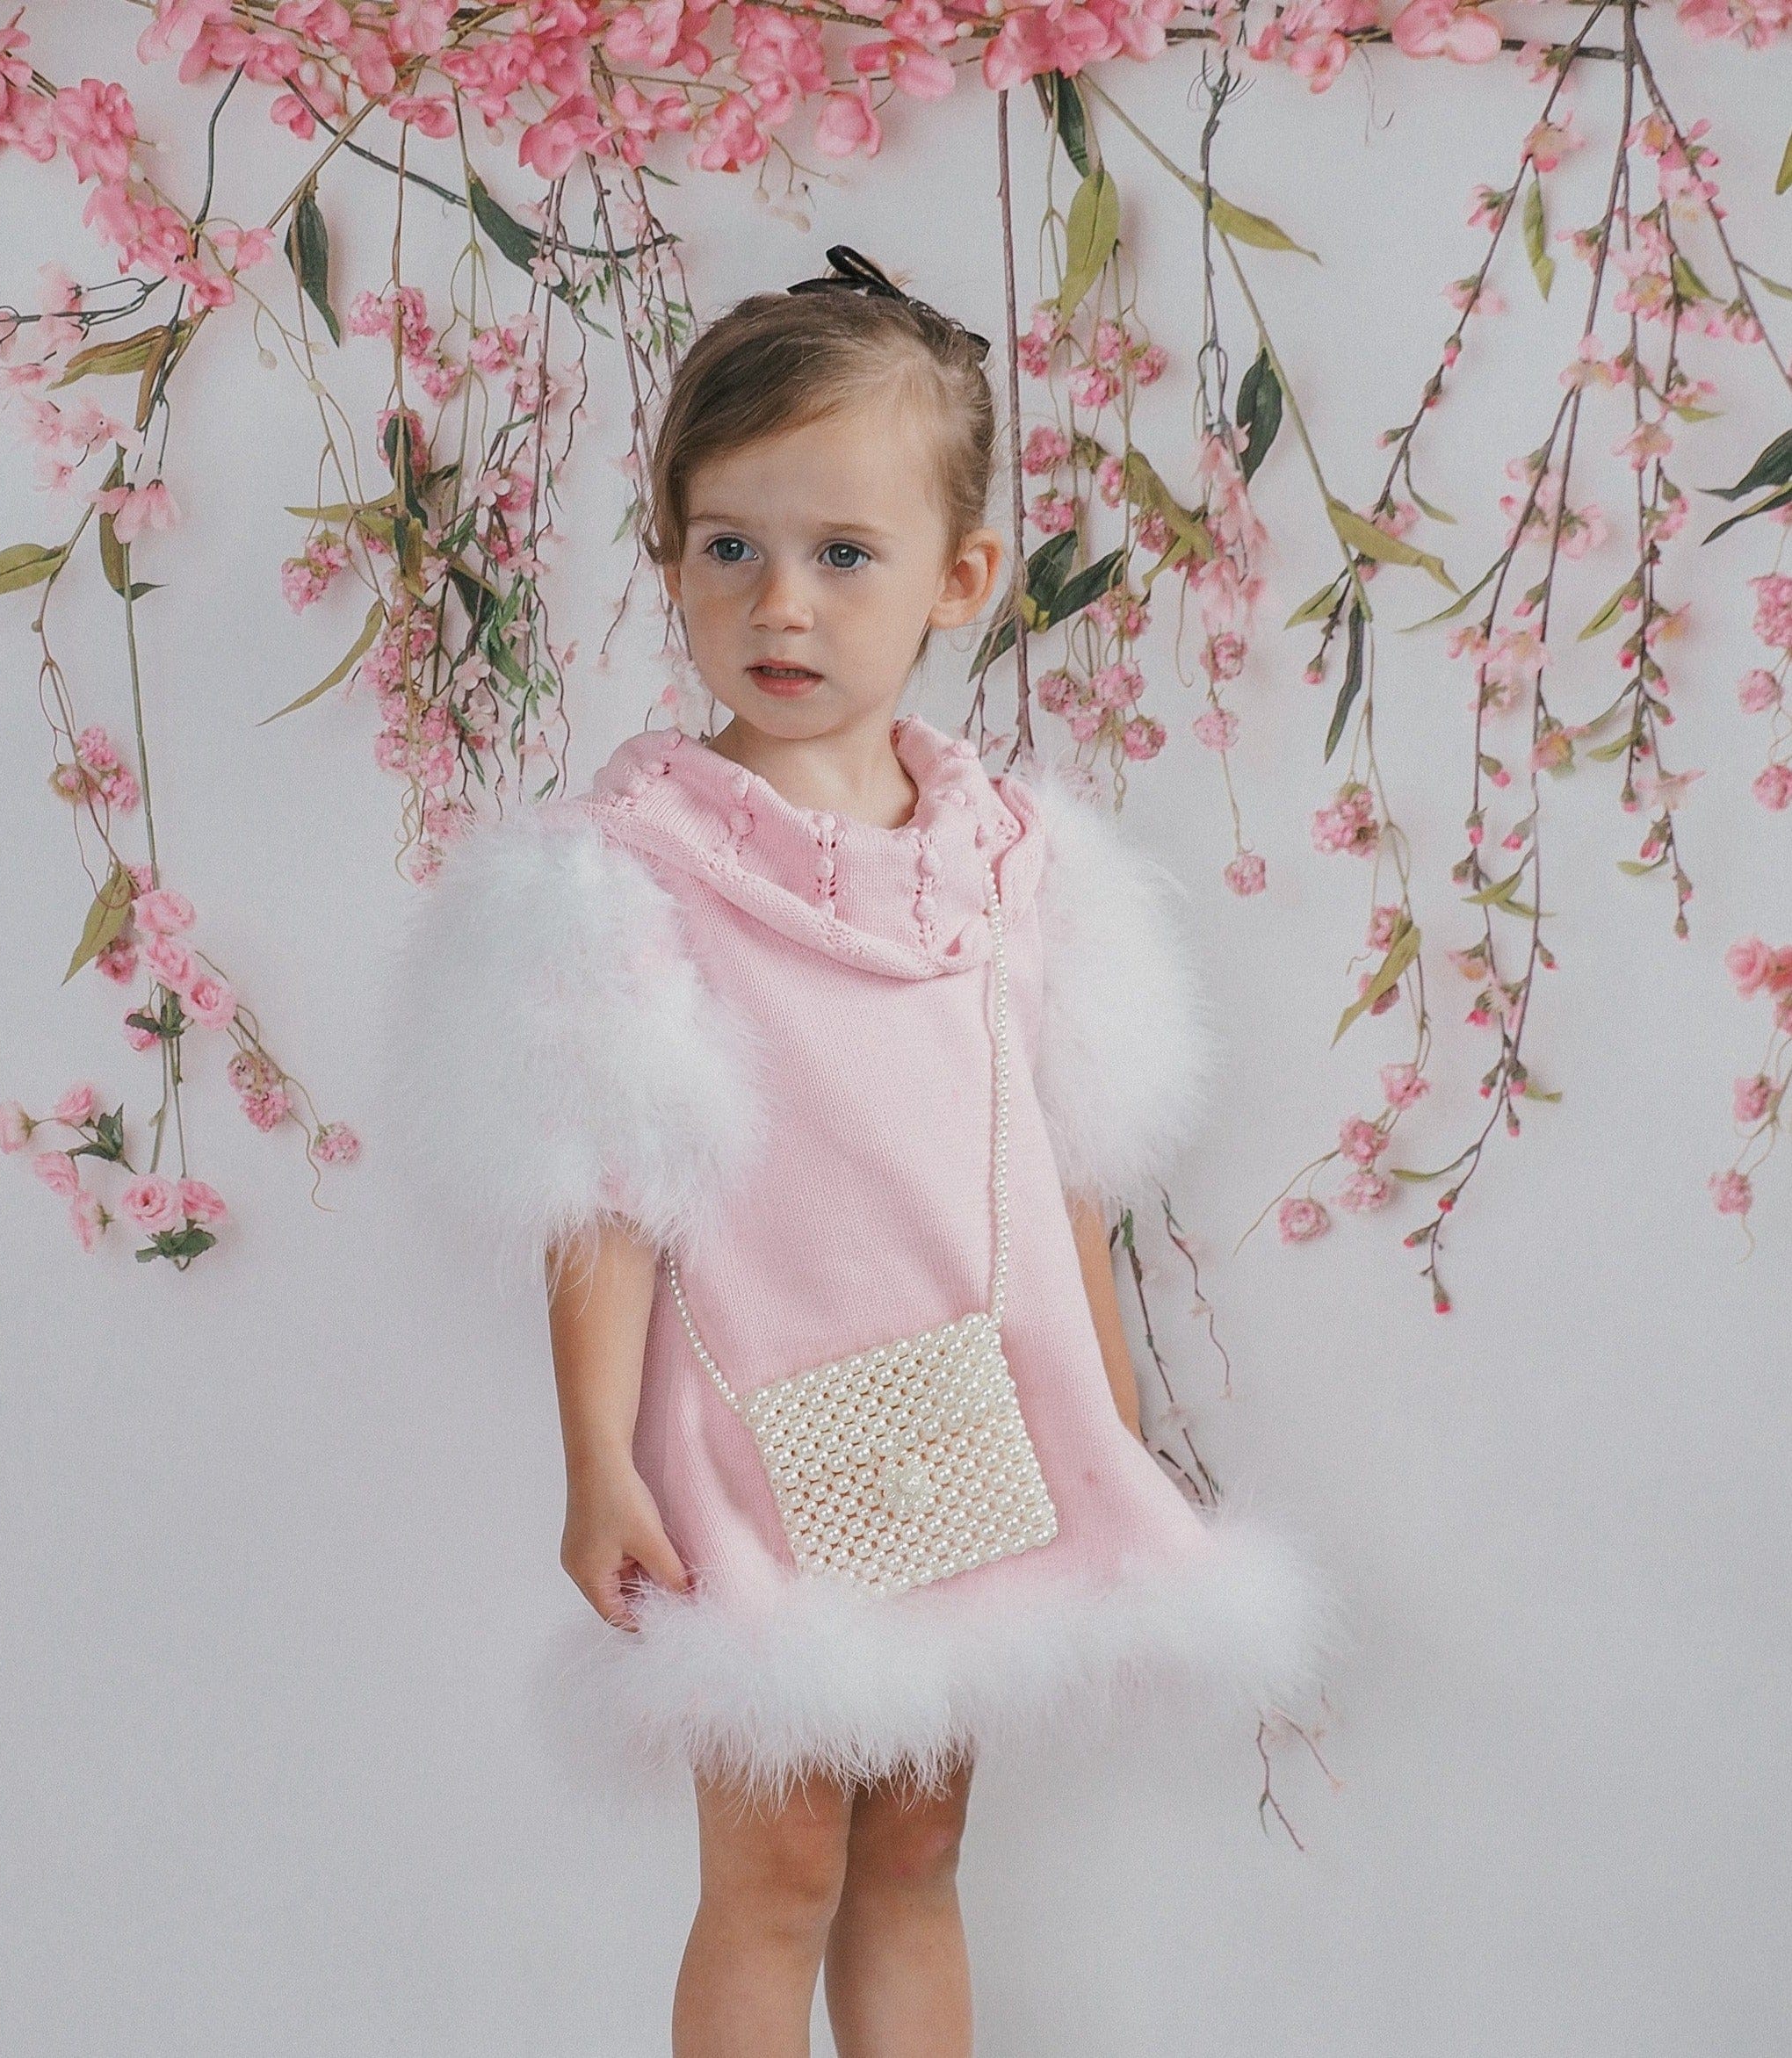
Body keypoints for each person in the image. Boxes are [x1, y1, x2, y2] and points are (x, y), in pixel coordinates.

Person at [381, 247, 1342, 2057]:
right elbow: (599, 1190)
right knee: (774, 1866)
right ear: (668, 555)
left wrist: (1102, 1418)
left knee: (914, 1837)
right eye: (728, 544)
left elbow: (1052, 1149)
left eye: (841, 553)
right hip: (753, 1425)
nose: (780, 602)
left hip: (968, 1399)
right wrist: (597, 1455)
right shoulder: (625, 873)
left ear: (957, 578)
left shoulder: (1005, 860)